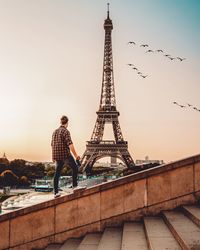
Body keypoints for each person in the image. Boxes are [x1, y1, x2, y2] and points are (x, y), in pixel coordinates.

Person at [51, 115, 81, 198]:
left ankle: (56, 192)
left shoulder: (55, 132)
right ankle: (75, 186)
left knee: (57, 173)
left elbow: (52, 145)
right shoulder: (66, 131)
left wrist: (52, 156)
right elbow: (70, 144)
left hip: (57, 155)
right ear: (67, 123)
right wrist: (76, 156)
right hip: (65, 154)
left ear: (60, 122)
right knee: (75, 168)